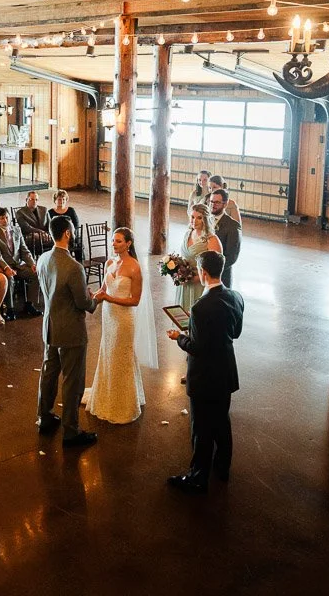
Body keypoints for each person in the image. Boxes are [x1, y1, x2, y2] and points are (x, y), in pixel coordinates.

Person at [167, 250, 244, 494]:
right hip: (225, 371)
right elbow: (235, 332)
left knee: (200, 428)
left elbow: (196, 348)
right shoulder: (236, 297)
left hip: (204, 376)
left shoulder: (200, 308)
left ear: (202, 272)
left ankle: (198, 478)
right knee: (222, 422)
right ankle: (222, 467)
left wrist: (180, 337)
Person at [35, 216, 97, 449]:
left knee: (48, 374)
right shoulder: (73, 267)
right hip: (71, 331)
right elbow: (82, 303)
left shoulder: (42, 259)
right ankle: (71, 431)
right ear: (68, 234)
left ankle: (45, 417)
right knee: (73, 381)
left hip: (50, 327)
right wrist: (95, 299)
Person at [85, 228, 159, 424]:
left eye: (118, 241)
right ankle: (106, 395)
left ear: (128, 243)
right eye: (113, 241)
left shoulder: (134, 268)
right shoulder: (110, 263)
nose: (114, 244)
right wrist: (92, 297)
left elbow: (135, 300)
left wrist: (107, 297)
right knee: (108, 354)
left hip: (124, 319)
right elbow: (103, 289)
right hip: (108, 317)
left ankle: (123, 403)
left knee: (121, 357)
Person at [0, 208, 42, 317]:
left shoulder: (17, 230)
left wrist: (32, 264)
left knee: (37, 273)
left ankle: (29, 304)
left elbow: (24, 250)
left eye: (7, 217)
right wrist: (7, 268)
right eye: (2, 218)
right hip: (3, 266)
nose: (5, 220)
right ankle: (10, 309)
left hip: (18, 264)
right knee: (9, 279)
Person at [179, 204, 224, 312]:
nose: (194, 221)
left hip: (201, 284)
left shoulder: (212, 240)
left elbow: (216, 269)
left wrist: (195, 278)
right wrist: (178, 273)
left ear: (206, 219)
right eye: (192, 217)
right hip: (185, 284)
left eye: (199, 218)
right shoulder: (188, 234)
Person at [209, 188, 242, 288]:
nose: (213, 205)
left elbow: (231, 257)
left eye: (217, 202)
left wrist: (212, 270)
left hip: (221, 277)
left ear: (225, 204)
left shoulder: (233, 226)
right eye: (211, 202)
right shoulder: (205, 220)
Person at [49, 190, 81, 259]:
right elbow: (49, 226)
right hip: (56, 237)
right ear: (55, 200)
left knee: (79, 243)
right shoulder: (50, 212)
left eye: (64, 199)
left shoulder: (71, 210)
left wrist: (70, 235)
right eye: (59, 199)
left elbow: (76, 225)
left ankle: (80, 263)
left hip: (69, 236)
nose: (62, 201)